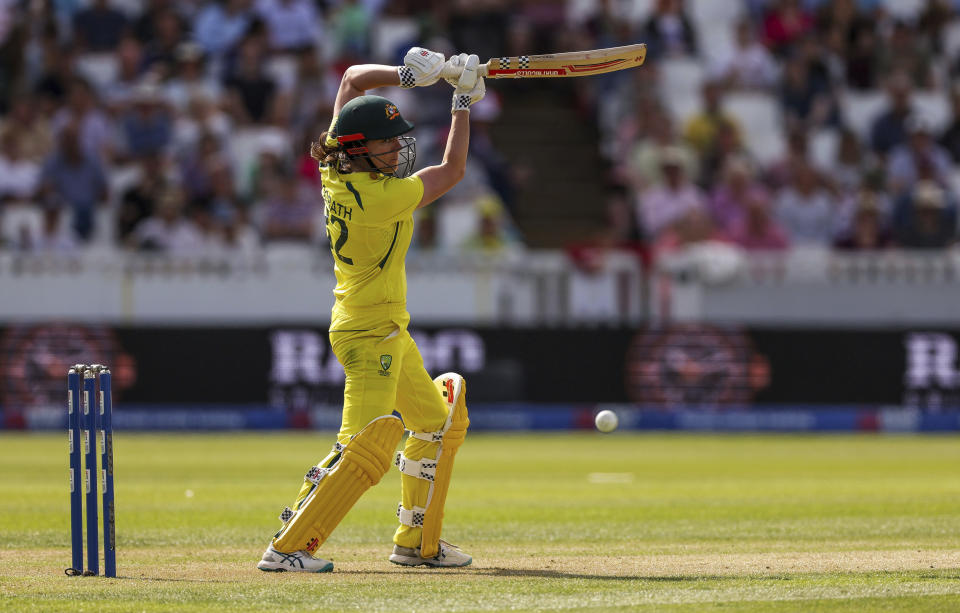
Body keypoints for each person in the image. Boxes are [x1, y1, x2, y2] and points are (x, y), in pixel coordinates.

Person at [256, 47, 485, 573]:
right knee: (362, 446)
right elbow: (451, 171)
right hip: (368, 335)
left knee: (435, 421)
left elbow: (353, 77)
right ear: (361, 149)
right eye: (389, 144)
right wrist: (461, 102)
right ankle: (289, 546)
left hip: (386, 330)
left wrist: (406, 75)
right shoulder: (380, 199)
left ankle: (414, 542)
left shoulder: (333, 170)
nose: (400, 150)